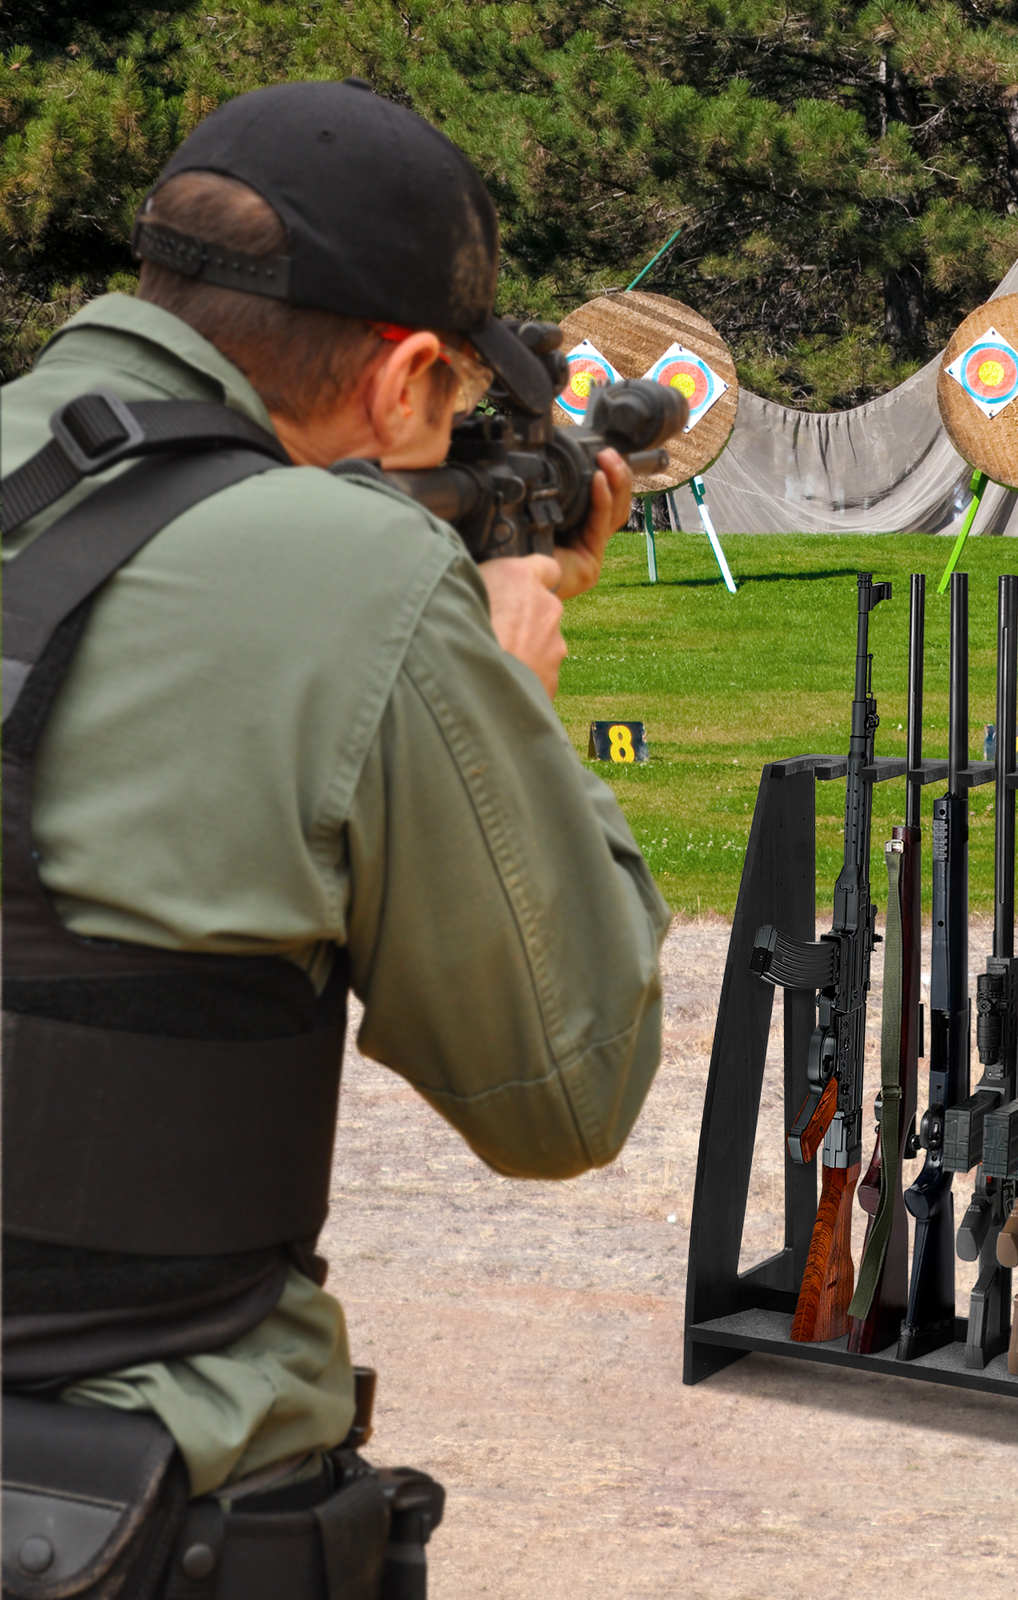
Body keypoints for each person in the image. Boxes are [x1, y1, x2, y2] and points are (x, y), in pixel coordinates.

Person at [1, 78, 669, 1594]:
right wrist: (502, 688)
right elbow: (564, 1094)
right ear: (404, 372)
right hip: (134, 1514)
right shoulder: (355, 574)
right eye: (448, 407)